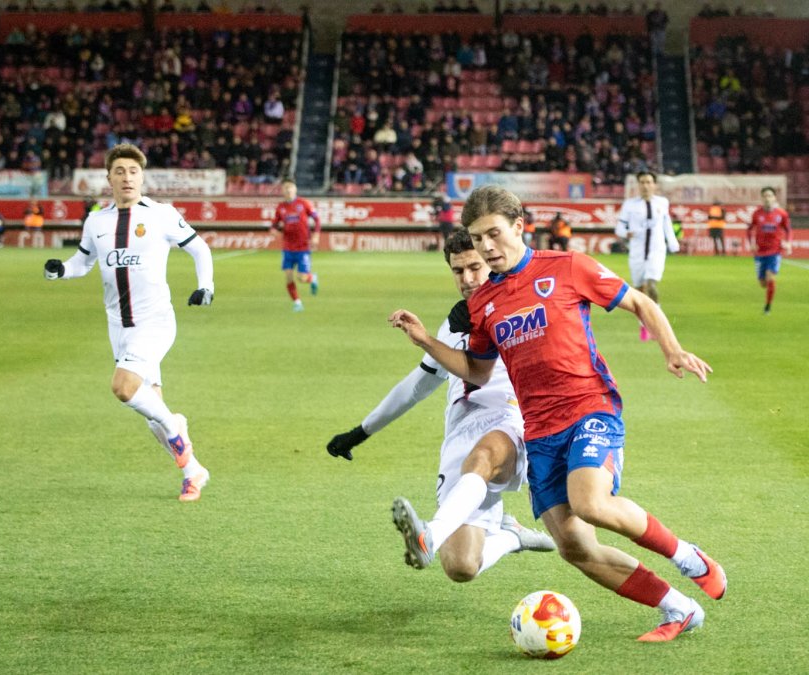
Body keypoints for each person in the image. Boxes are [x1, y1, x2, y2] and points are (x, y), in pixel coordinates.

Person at [388, 185, 725, 643]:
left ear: (519, 227)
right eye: (477, 237)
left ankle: (690, 557)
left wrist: (672, 350)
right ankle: (679, 608)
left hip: (590, 408)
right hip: (540, 431)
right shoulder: (484, 304)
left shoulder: (566, 267)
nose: (486, 247)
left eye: (493, 234)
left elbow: (640, 302)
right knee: (575, 547)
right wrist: (428, 342)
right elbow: (478, 372)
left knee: (590, 502)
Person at [327, 230, 556, 582]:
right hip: (460, 433)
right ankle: (512, 536)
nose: (467, 279)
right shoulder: (454, 323)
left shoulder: (520, 307)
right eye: (457, 270)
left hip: (508, 418)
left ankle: (428, 534)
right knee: (461, 567)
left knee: (483, 458)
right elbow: (418, 386)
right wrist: (360, 432)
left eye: (475, 268)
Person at [42, 142, 215, 501]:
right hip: (118, 326)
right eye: (119, 171)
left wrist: (205, 286)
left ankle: (176, 424)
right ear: (109, 178)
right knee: (151, 411)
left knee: (123, 387)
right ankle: (193, 471)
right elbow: (82, 262)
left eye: (133, 171)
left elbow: (199, 247)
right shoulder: (96, 221)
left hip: (155, 322)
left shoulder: (161, 214)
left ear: (142, 177)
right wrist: (62, 270)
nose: (127, 178)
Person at [615, 171, 679, 340]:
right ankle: (643, 325)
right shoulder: (630, 205)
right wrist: (627, 233)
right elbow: (619, 228)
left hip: (656, 251)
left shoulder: (662, 203)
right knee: (639, 292)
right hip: (636, 252)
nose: (645, 185)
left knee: (651, 285)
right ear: (638, 185)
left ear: (654, 185)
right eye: (642, 182)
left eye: (649, 182)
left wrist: (673, 243)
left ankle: (658, 323)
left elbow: (667, 224)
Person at [270, 178, 321, 312]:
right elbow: (274, 224)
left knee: (302, 278)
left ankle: (312, 278)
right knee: (288, 277)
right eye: (285, 188)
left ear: (295, 189)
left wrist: (316, 235)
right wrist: (274, 230)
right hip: (287, 247)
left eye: (290, 187)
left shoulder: (304, 203)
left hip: (303, 247)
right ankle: (297, 302)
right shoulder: (281, 207)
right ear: (282, 191)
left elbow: (317, 219)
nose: (288, 190)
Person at [748, 186, 791, 314]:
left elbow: (788, 229)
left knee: (770, 276)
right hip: (760, 251)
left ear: (774, 198)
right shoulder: (757, 213)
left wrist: (788, 243)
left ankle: (767, 307)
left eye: (770, 196)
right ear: (762, 198)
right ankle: (768, 289)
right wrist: (751, 243)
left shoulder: (781, 214)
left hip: (775, 250)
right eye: (765, 196)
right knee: (763, 283)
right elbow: (749, 229)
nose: (767, 198)